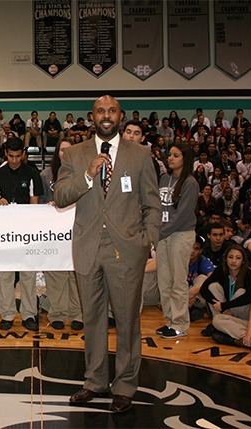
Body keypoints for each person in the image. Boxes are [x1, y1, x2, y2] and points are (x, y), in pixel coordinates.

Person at [54, 95, 161, 413]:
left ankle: (125, 385)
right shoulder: (74, 154)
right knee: (93, 320)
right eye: (100, 110)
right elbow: (60, 196)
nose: (106, 115)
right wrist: (87, 175)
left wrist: (146, 240)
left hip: (126, 250)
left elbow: (152, 203)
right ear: (92, 116)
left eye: (111, 110)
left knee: (128, 321)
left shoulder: (140, 154)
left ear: (120, 116)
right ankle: (95, 381)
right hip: (88, 249)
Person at [0, 137, 44, 331]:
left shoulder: (32, 173)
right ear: (6, 154)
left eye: (17, 156)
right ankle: (7, 314)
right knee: (5, 275)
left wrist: (30, 229)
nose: (14, 160)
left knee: (27, 275)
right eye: (11, 156)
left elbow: (35, 204)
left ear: (23, 154)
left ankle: (29, 314)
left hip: (25, 232)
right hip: (4, 232)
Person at [156, 142, 199, 339]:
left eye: (175, 155)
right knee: (164, 281)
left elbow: (182, 214)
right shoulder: (164, 178)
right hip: (163, 234)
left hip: (180, 235)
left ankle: (180, 323)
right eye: (169, 155)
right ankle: (170, 321)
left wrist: (161, 232)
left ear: (185, 159)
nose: (170, 158)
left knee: (178, 282)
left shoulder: (190, 183)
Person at [40, 139, 83, 330]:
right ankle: (57, 313)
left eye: (69, 150)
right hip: (54, 230)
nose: (65, 154)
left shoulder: (84, 172)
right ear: (57, 152)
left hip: (77, 228)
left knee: (75, 272)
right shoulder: (46, 175)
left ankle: (78, 314)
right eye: (62, 150)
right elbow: (38, 203)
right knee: (56, 272)